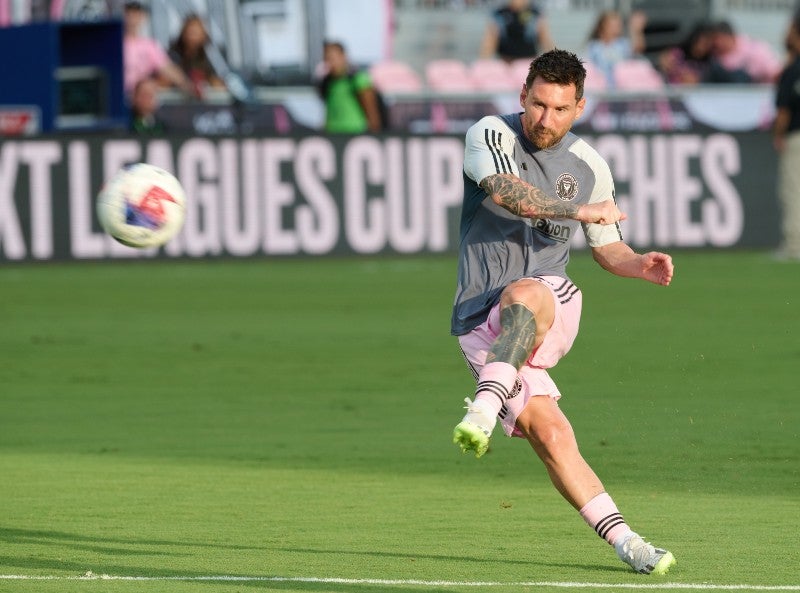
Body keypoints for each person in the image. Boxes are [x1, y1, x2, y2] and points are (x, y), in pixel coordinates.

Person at [450, 49, 677, 575]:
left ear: (579, 107)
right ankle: (629, 544)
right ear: (522, 96)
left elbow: (607, 248)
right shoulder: (490, 135)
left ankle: (482, 409)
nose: (544, 119)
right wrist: (580, 210)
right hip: (477, 321)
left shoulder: (590, 165)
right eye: (537, 104)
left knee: (526, 293)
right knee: (552, 437)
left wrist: (637, 262)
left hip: (551, 299)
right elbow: (513, 196)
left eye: (558, 109)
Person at [122, 1, 194, 97]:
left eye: (136, 14)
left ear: (143, 17)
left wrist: (188, 85)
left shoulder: (149, 46)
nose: (131, 19)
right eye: (128, 14)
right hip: (118, 97)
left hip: (140, 99)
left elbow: (167, 68)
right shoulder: (113, 44)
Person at [773, 16, 800, 260]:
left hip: (796, 137)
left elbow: (783, 111)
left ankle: (794, 247)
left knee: (794, 191)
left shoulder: (793, 69)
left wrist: (778, 135)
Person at [318, 41, 382, 134]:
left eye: (333, 58)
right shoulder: (327, 82)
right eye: (327, 59)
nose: (330, 63)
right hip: (333, 134)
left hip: (355, 133)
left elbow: (371, 112)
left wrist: (374, 133)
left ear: (343, 56)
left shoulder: (357, 79)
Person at [704, 20, 782, 84]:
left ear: (730, 36)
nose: (716, 43)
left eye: (718, 38)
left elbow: (775, 73)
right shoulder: (712, 55)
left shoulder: (755, 49)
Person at [168, 14, 226, 98]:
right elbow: (165, 80)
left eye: (195, 32)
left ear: (203, 35)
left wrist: (210, 82)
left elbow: (218, 82)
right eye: (190, 31)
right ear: (183, 33)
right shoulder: (174, 54)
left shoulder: (209, 56)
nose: (192, 36)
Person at [585, 9, 647, 87]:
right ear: (603, 26)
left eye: (618, 25)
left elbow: (638, 47)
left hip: (621, 88)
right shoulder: (594, 46)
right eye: (613, 25)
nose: (617, 28)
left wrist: (636, 30)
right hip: (601, 89)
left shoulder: (622, 44)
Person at [478, 0, 554, 62]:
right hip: (506, 62)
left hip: (528, 63)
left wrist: (555, 62)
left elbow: (546, 41)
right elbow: (489, 43)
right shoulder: (499, 14)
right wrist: (483, 63)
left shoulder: (536, 14)